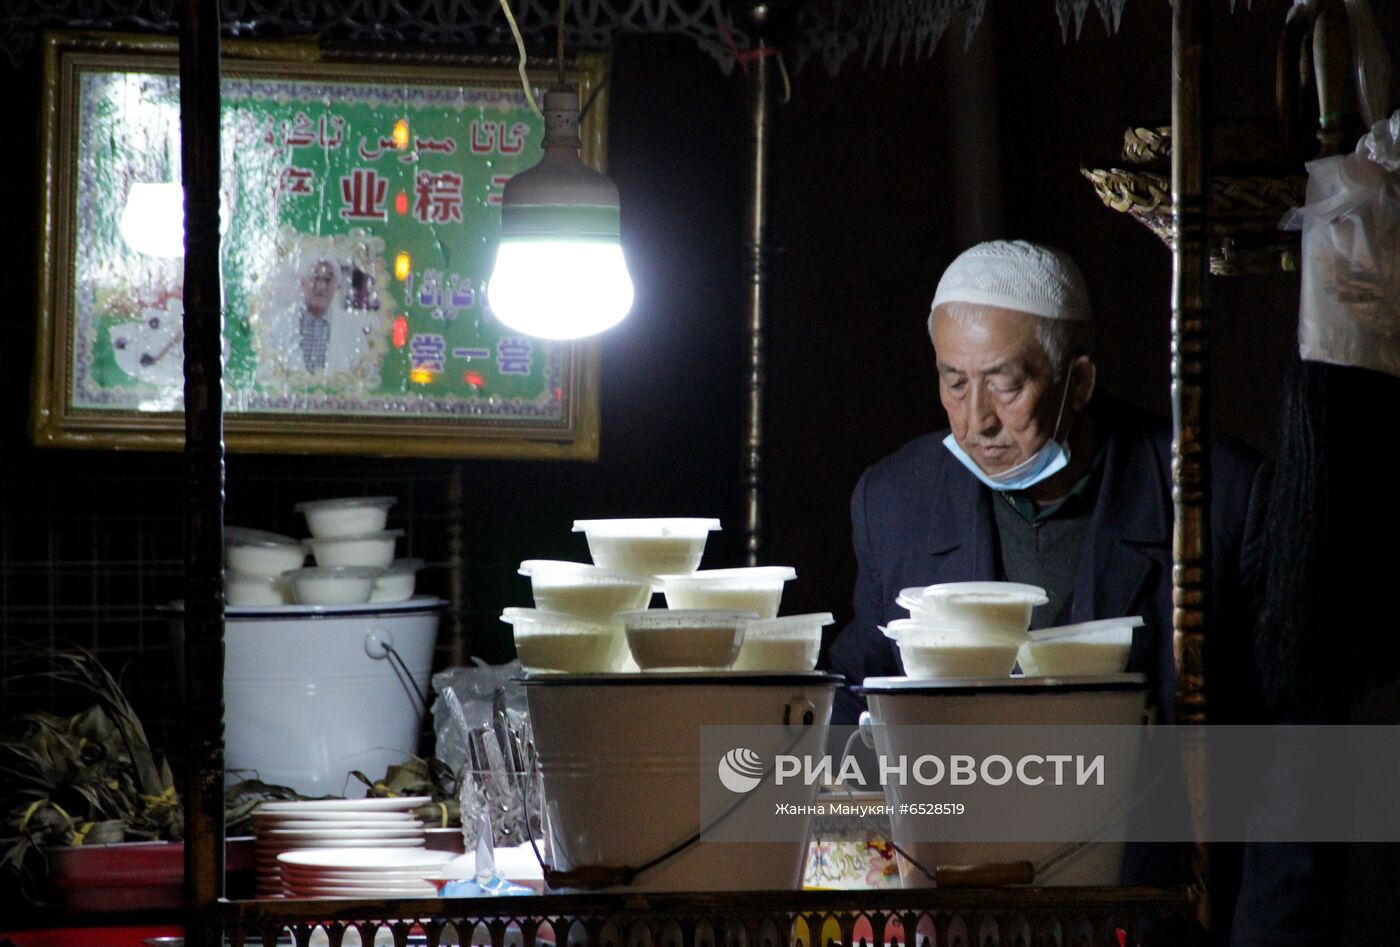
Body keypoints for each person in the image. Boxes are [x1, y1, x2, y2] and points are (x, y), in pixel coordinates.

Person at [827, 239, 1269, 729]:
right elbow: (858, 693)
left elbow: (1295, 731)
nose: (977, 421)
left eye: (1006, 384)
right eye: (955, 383)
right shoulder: (895, 500)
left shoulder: (1218, 493)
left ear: (1077, 382)